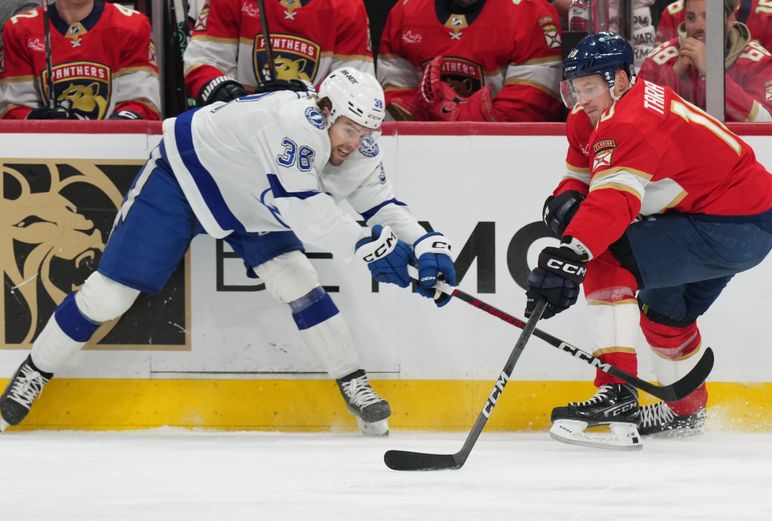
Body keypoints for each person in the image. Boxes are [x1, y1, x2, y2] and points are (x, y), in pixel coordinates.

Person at [0, 68, 458, 436]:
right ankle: (36, 370)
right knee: (109, 296)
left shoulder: (357, 142)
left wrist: (425, 242)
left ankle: (353, 382)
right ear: (323, 110)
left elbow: (380, 204)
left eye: (366, 133)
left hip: (255, 195)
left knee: (297, 279)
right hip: (187, 174)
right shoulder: (294, 125)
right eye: (349, 129)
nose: (355, 143)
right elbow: (306, 212)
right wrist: (370, 246)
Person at [526, 32, 772, 449]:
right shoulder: (592, 116)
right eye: (575, 87)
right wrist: (565, 199)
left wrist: (571, 254)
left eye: (591, 86)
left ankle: (617, 394)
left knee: (607, 256)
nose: (582, 96)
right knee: (664, 316)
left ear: (620, 79)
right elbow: (582, 178)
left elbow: (613, 202)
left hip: (729, 226)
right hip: (731, 222)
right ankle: (687, 411)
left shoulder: (631, 121)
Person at [376, 0, 564, 122]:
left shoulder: (532, 13)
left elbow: (529, 107)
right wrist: (420, 111)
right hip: (425, 151)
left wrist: (454, 116)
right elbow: (394, 97)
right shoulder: (406, 11)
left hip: (504, 154)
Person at [182, 0, 373, 107]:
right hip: (239, 127)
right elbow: (203, 61)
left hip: (313, 134)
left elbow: (354, 84)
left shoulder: (348, 7)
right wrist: (225, 93)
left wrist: (306, 105)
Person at [0, 0, 160, 120]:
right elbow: (12, 108)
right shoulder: (20, 29)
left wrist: (114, 129)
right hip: (45, 153)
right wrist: (36, 119)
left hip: (116, 153)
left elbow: (144, 106)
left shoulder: (132, 25)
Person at [640, 0, 772, 121]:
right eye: (690, 18)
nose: (699, 27)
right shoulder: (658, 60)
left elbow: (766, 122)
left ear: (731, 19)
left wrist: (713, 74)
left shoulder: (757, 61)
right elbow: (638, 119)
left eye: (708, 17)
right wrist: (675, 74)